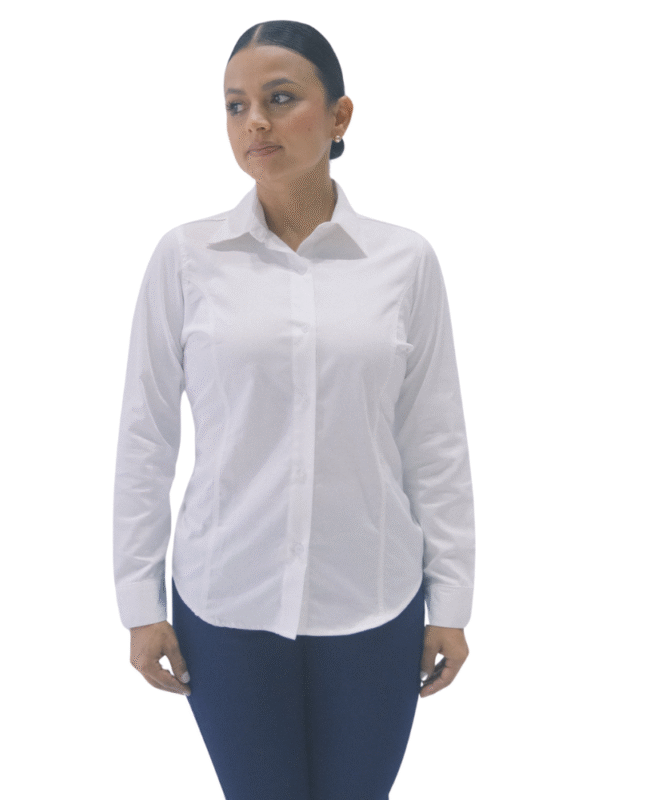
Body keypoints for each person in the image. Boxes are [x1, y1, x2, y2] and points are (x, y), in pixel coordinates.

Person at [113, 19, 475, 800]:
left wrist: (451, 600)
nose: (256, 122)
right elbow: (146, 435)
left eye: (280, 99)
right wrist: (139, 602)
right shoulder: (185, 259)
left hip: (374, 601)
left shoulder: (404, 261)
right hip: (225, 600)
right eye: (236, 105)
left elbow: (434, 438)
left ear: (340, 116)